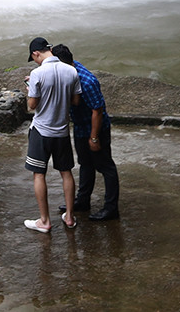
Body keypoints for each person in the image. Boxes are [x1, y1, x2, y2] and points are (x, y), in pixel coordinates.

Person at [53, 43, 119, 222]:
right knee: (85, 163)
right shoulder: (69, 69)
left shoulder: (87, 82)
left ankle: (111, 208)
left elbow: (97, 111)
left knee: (106, 167)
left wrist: (94, 137)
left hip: (96, 128)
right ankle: (83, 201)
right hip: (81, 126)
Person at [24, 36, 79, 233]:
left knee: (39, 174)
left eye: (34, 58)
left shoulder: (37, 73)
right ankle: (70, 217)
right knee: (66, 172)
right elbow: (75, 101)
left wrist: (30, 88)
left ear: (36, 54)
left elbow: (32, 106)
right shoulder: (71, 71)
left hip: (41, 131)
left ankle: (44, 221)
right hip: (62, 130)